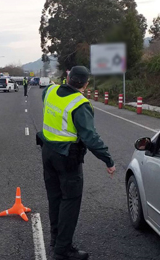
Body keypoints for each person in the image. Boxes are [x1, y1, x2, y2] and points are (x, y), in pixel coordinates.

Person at [38, 66, 116, 260]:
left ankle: (55, 240)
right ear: (85, 84)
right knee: (69, 201)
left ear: (67, 77)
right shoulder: (80, 104)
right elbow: (91, 138)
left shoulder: (50, 90)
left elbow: (45, 100)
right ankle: (62, 250)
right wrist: (108, 160)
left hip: (48, 153)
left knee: (54, 198)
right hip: (67, 158)